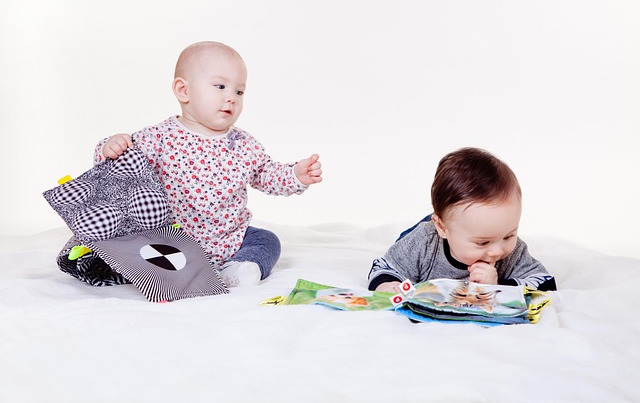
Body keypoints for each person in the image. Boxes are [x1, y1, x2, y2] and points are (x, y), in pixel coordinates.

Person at [94, 41, 322, 286]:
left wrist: (295, 175)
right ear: (183, 90)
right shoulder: (158, 138)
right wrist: (110, 147)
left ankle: (239, 268)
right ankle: (156, 271)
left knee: (267, 240)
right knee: (127, 244)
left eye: (239, 92)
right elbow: (119, 168)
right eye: (220, 86)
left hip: (231, 238)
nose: (231, 98)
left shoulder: (243, 144)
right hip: (172, 239)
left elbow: (266, 174)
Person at [368, 147, 556, 293]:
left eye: (509, 235)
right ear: (442, 227)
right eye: (483, 242)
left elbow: (544, 282)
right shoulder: (423, 243)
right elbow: (385, 268)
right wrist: (388, 285)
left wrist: (499, 286)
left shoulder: (511, 251)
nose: (497, 251)